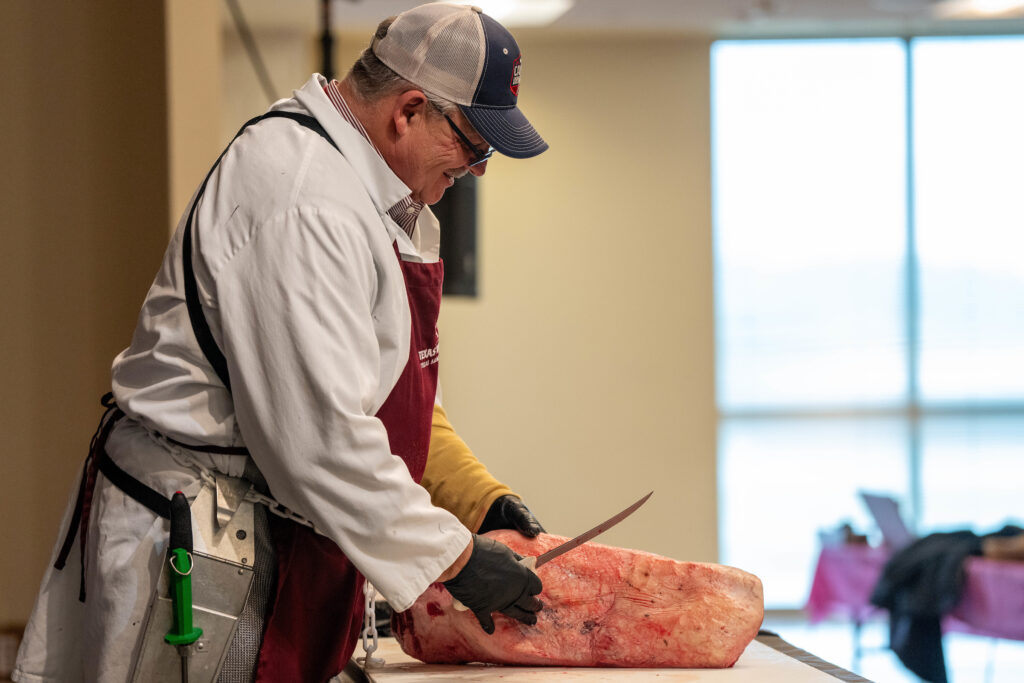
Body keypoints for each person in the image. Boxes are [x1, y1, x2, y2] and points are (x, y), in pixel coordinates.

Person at [14, 3, 549, 681]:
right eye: (474, 144)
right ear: (409, 110)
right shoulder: (306, 201)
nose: (477, 170)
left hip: (259, 521)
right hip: (197, 539)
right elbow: (321, 440)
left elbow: (375, 391)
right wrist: (460, 559)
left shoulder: (372, 196)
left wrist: (477, 496)